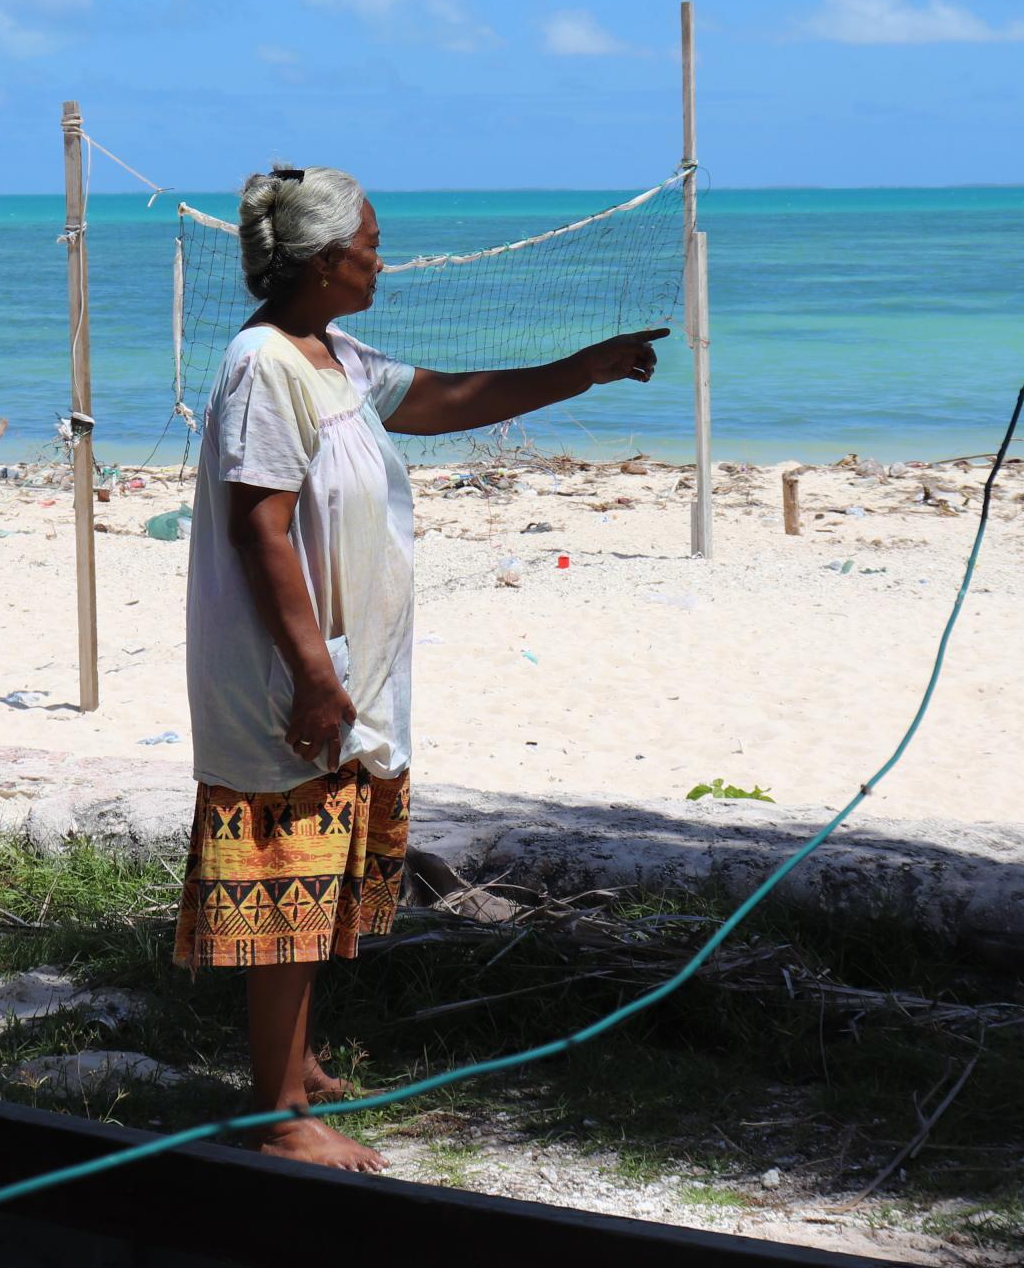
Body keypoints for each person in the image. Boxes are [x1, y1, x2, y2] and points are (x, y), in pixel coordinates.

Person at [173, 163, 666, 1172]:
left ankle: (295, 1065)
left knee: (321, 871)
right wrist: (312, 674)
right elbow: (260, 524)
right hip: (286, 670)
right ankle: (278, 1113)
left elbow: (437, 399)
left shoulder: (330, 353)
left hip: (338, 660)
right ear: (321, 260)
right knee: (287, 880)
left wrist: (585, 366)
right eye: (371, 244)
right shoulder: (264, 365)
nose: (382, 259)